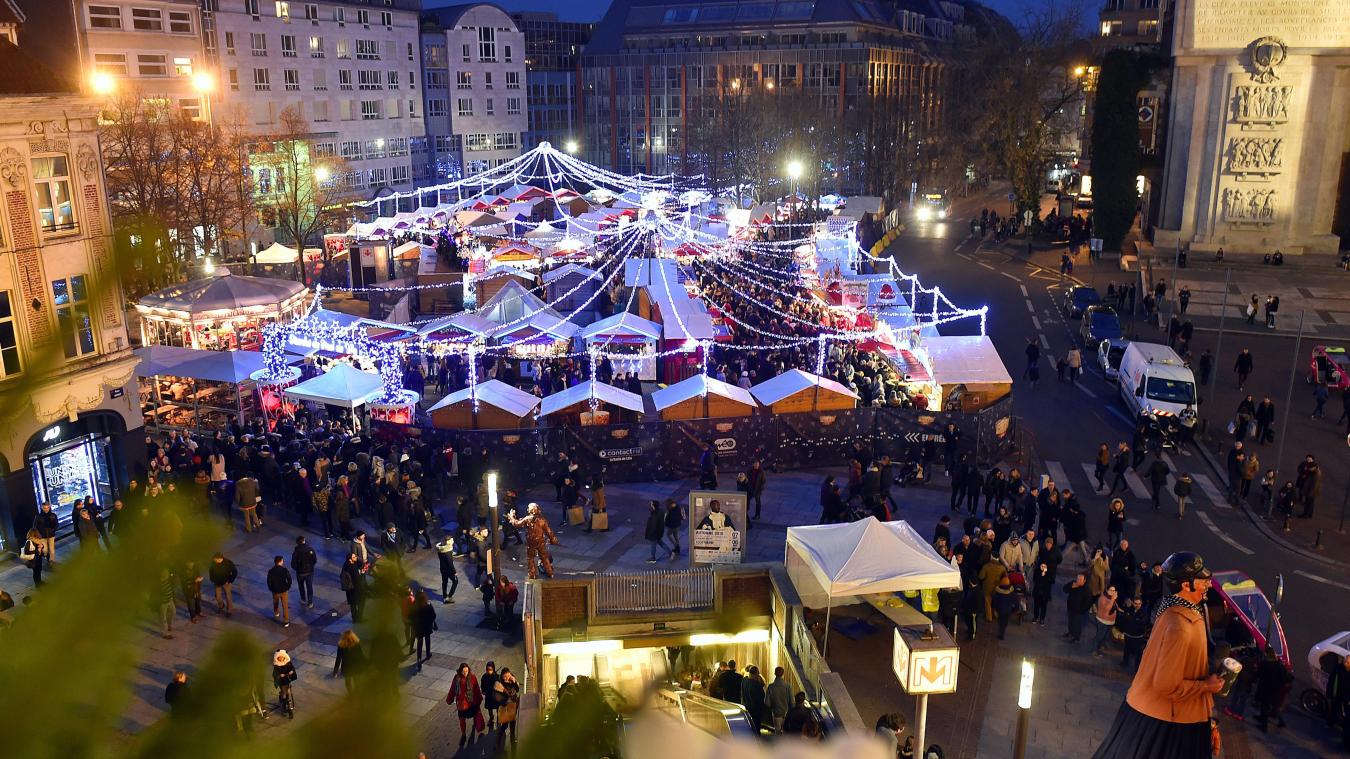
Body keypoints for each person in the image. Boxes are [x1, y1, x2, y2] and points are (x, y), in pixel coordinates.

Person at [1091, 552, 1224, 758]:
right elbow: (1166, 685)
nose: (1208, 583)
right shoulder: (1181, 626)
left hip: (1165, 714)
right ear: (1185, 585)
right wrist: (1207, 686)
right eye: (1201, 580)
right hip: (1168, 723)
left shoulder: (1175, 609)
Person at [506, 503, 559, 579]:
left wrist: (511, 517)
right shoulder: (542, 520)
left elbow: (517, 524)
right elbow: (548, 531)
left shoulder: (527, 519)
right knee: (544, 557)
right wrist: (552, 539)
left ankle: (532, 574)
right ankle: (550, 573)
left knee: (530, 558)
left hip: (531, 542)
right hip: (540, 541)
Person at [1254, 645, 1293, 731]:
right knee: (1274, 706)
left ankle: (1264, 725)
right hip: (1276, 689)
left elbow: (1258, 675)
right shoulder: (1278, 664)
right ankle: (1281, 722)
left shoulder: (1264, 664)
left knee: (1265, 705)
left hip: (1266, 688)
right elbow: (1284, 677)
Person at [446, 662, 484, 747]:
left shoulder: (473, 677)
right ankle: (463, 734)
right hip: (462, 705)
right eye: (463, 671)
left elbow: (476, 688)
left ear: (469, 670)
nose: (465, 673)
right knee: (462, 721)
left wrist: (479, 698)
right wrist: (449, 699)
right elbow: (452, 689)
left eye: (466, 671)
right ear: (460, 671)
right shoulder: (456, 678)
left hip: (472, 702)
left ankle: (479, 729)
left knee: (476, 715)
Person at [332, 629, 364, 695]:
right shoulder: (356, 644)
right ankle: (357, 694)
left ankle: (350, 694)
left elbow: (338, 659)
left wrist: (335, 671)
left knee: (348, 682)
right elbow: (361, 656)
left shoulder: (341, 646)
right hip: (355, 666)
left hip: (346, 667)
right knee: (357, 681)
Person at [410, 590, 436, 668]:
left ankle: (419, 659)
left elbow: (410, 617)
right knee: (427, 639)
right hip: (427, 626)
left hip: (418, 627)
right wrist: (430, 622)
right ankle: (428, 654)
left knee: (419, 643)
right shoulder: (428, 606)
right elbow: (433, 615)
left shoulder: (414, 607)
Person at [1063, 573, 1092, 643]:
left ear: (1084, 581)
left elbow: (1088, 602)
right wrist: (1071, 587)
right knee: (1070, 622)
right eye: (1078, 579)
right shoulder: (1073, 584)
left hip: (1079, 611)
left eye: (1080, 579)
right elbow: (1064, 589)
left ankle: (1076, 637)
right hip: (1070, 608)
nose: (1078, 581)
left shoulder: (1086, 590)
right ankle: (1070, 632)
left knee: (1077, 624)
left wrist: (1082, 610)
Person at [497, 667, 521, 750]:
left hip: (513, 705)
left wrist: (514, 682)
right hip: (504, 706)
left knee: (512, 725)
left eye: (508, 676)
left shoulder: (512, 679)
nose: (506, 678)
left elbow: (517, 690)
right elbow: (497, 695)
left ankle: (513, 742)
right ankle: (498, 742)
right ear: (502, 676)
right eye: (505, 676)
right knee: (504, 725)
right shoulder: (500, 682)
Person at [291, 536, 317, 610]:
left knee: (301, 586)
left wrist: (297, 569)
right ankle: (310, 602)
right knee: (309, 586)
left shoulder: (296, 551)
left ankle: (303, 599)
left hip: (300, 573)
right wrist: (311, 566)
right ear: (304, 541)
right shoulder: (310, 549)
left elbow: (293, 563)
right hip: (309, 572)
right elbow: (314, 560)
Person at [266, 555, 292, 628]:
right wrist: (288, 586)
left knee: (275, 602)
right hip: (284, 590)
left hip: (275, 591)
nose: (283, 562)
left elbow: (269, 582)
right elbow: (289, 579)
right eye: (282, 560)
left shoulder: (271, 571)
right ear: (280, 561)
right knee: (285, 605)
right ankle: (286, 621)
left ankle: (276, 612)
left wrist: (271, 589)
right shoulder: (284, 570)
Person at [208, 552, 237, 617]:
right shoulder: (213, 563)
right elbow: (210, 571)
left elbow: (235, 572)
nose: (214, 560)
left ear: (219, 559)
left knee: (228, 596)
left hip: (226, 583)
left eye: (215, 559)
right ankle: (221, 605)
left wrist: (230, 580)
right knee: (217, 596)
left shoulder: (228, 563)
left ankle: (229, 610)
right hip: (217, 582)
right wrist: (212, 579)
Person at [272, 649, 298, 718]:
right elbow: (274, 674)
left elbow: (292, 668)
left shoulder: (288, 663)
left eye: (282, 657)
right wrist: (279, 675)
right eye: (279, 658)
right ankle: (283, 704)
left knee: (288, 691)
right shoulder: (276, 665)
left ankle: (288, 702)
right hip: (281, 681)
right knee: (284, 693)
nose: (280, 659)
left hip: (287, 680)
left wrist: (291, 672)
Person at [741, 665, 767, 732]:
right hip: (755, 711)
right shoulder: (757, 685)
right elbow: (762, 698)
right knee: (756, 728)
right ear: (756, 674)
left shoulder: (744, 681)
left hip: (746, 708)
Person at [766, 666, 792, 732]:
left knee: (777, 731)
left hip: (776, 712)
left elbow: (767, 703)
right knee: (785, 731)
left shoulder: (771, 687)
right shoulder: (787, 686)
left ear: (774, 673)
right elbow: (792, 701)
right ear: (783, 674)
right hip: (786, 712)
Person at [435, 536, 458, 604]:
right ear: (448, 542)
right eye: (452, 540)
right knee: (455, 581)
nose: (453, 542)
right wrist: (454, 571)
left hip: (442, 568)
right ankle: (449, 596)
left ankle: (445, 597)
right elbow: (450, 563)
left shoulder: (441, 548)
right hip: (449, 570)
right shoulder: (447, 551)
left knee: (444, 582)